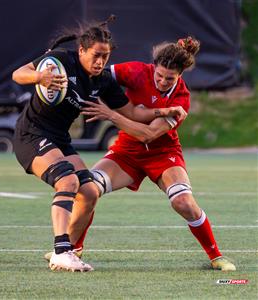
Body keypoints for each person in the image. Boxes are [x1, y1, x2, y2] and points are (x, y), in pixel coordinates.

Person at [11, 18, 187, 272]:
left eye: (105, 57)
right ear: (81, 50)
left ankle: (68, 251)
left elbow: (133, 113)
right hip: (32, 134)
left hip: (59, 139)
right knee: (68, 182)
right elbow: (18, 74)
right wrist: (40, 77)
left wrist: (165, 110)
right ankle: (61, 252)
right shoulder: (61, 61)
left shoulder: (103, 81)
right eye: (96, 55)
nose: (100, 62)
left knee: (90, 191)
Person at [64, 36, 235, 271]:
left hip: (163, 154)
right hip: (127, 151)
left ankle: (216, 256)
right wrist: (65, 74)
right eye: (159, 75)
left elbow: (148, 135)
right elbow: (98, 72)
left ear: (180, 75)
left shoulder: (181, 99)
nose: (163, 81)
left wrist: (112, 114)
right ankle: (72, 250)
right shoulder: (136, 71)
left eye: (170, 78)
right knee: (88, 189)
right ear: (153, 67)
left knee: (183, 202)